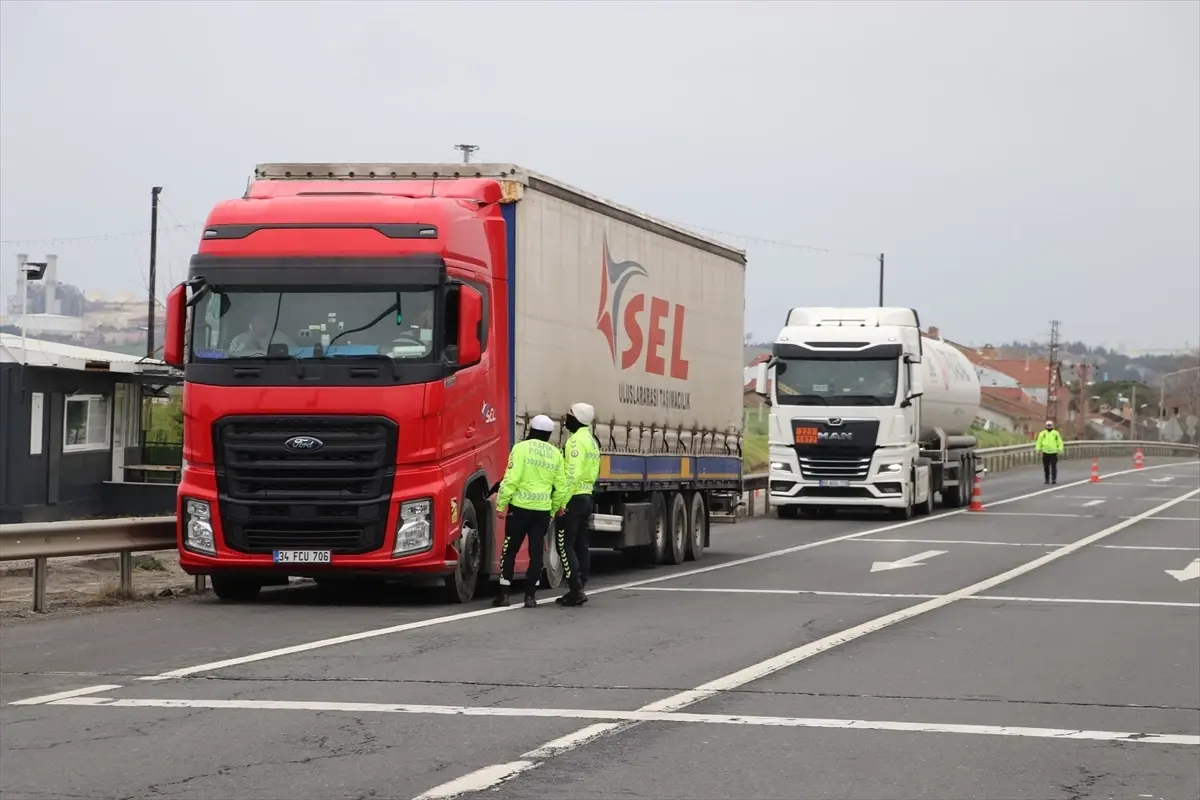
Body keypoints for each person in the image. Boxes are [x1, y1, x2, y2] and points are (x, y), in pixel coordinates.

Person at [493, 414, 569, 608]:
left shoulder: (520, 449)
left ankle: (504, 595)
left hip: (519, 509)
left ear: (531, 430)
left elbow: (511, 479)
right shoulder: (555, 453)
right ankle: (530, 597)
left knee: (510, 550)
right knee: (537, 553)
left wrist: (501, 504)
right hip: (542, 512)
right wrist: (553, 510)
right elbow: (561, 486)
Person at [554, 402, 601, 607]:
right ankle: (580, 584)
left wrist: (562, 502)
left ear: (578, 419)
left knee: (565, 545)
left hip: (573, 498)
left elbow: (571, 475)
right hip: (587, 496)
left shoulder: (575, 443)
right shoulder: (591, 441)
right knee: (582, 543)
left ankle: (575, 589)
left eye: (569, 416)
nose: (566, 419)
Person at [228, 312, 295, 356]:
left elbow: (295, 352)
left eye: (262, 322)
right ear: (250, 325)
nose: (261, 326)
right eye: (256, 323)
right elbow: (231, 357)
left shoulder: (280, 337)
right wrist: (245, 343)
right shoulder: (238, 340)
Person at [1035, 420, 1065, 485]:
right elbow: (1039, 442)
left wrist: (1060, 449)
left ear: (1052, 425)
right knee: (1046, 467)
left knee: (1053, 466)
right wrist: (1038, 450)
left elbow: (1059, 442)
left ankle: (1053, 479)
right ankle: (1047, 479)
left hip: (1053, 452)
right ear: (1046, 426)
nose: (1049, 426)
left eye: (1050, 425)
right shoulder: (1042, 433)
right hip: (1045, 452)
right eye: (1048, 425)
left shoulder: (1055, 433)